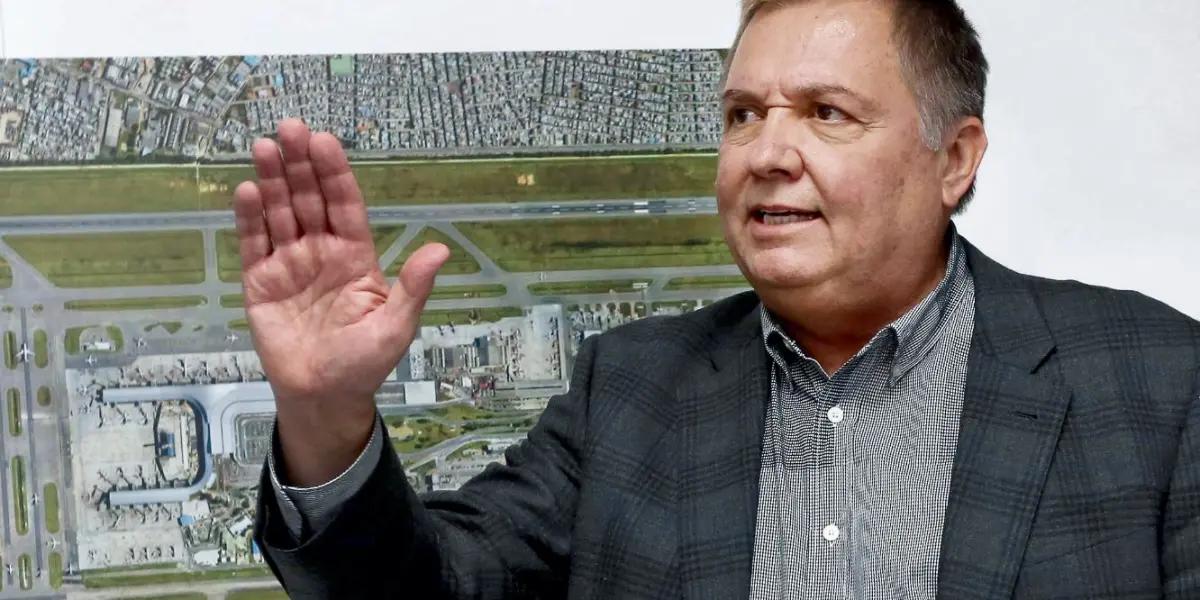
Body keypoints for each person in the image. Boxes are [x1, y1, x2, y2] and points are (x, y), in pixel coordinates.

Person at [242, 0, 1200, 597]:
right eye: (744, 114)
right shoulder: (630, 387)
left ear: (954, 159)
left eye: (826, 112)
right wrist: (325, 412)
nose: (767, 152)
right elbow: (431, 588)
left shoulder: (1159, 382)